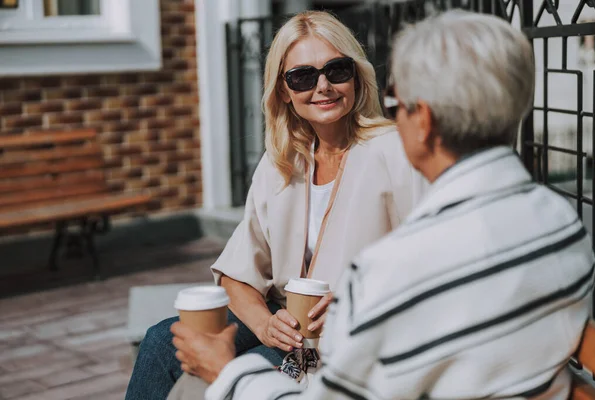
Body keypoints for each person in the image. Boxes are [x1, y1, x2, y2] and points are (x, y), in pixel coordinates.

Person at [166, 10, 595, 400]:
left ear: (422, 120)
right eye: (301, 76)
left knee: (192, 383)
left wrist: (227, 372)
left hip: (327, 360)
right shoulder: (562, 222)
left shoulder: (385, 277)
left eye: (396, 103)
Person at [125, 10, 427, 400]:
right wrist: (266, 324)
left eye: (337, 70)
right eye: (302, 76)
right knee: (161, 343)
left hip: (348, 333)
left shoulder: (394, 151)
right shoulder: (283, 161)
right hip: (283, 322)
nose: (323, 87)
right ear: (283, 90)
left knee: (222, 379)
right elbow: (237, 272)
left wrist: (363, 295)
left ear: (356, 76)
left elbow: (431, 258)